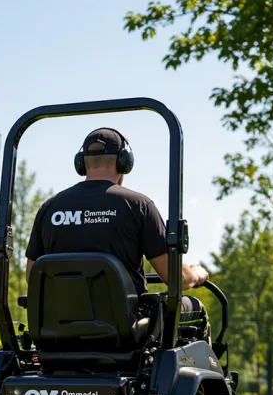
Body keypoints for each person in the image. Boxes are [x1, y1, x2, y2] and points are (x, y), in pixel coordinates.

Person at [25, 127, 210, 334]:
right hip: (125, 334)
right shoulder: (138, 205)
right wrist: (196, 274)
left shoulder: (49, 209)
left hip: (58, 332)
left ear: (81, 163)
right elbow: (177, 279)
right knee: (197, 311)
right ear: (124, 162)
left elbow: (33, 278)